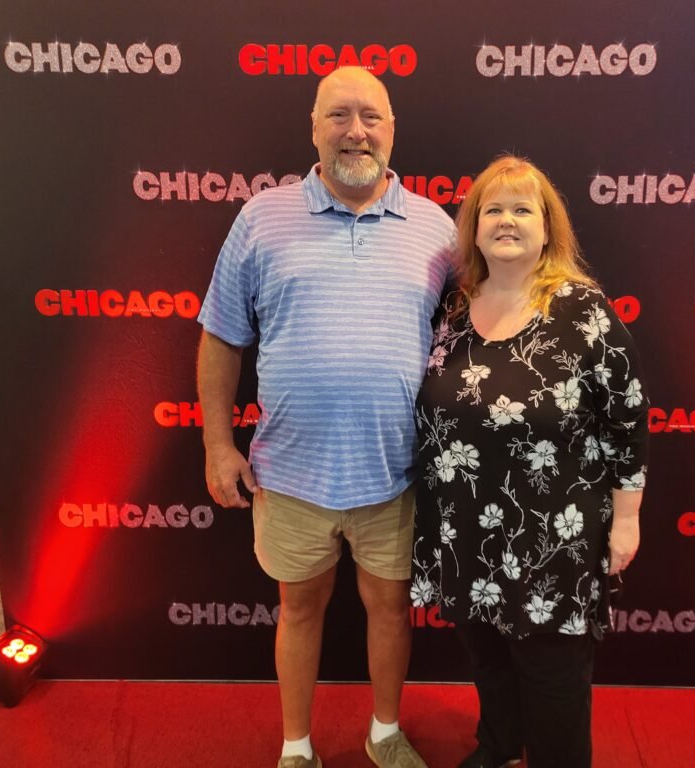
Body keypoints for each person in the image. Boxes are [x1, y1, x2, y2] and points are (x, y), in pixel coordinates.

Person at [197, 66, 455, 768]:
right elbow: (221, 336)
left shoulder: (437, 229)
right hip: (290, 474)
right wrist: (218, 446)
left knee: (391, 611)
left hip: (396, 475)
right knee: (299, 609)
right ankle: (296, 747)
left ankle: (384, 734)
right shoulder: (261, 218)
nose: (356, 131)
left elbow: (476, 337)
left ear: (392, 129)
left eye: (371, 116)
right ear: (313, 128)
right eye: (338, 115)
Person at [411, 155, 649, 768]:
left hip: (553, 537)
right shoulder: (451, 310)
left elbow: (627, 419)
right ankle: (498, 746)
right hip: (466, 529)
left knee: (552, 674)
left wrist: (627, 519)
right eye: (493, 209)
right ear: (473, 228)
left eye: (523, 209)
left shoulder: (582, 311)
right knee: (487, 655)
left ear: (548, 229)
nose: (507, 221)